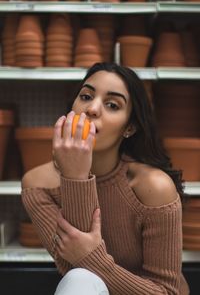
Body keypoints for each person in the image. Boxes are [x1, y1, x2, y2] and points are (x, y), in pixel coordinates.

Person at [21, 62, 189, 295]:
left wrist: (91, 256)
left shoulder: (152, 187)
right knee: (80, 278)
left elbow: (168, 292)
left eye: (112, 104)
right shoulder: (37, 185)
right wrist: (75, 176)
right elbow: (74, 266)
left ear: (129, 128)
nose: (92, 109)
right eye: (86, 96)